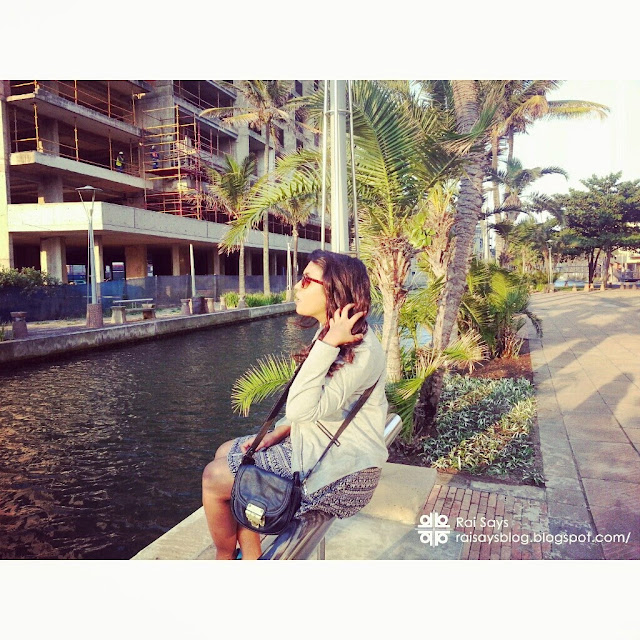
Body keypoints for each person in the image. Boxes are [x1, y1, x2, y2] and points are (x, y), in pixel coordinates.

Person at [202, 249, 389, 559]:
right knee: (226, 452)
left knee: (214, 478)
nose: (297, 287)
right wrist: (280, 430)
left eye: (306, 280)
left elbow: (302, 407)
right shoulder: (332, 334)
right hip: (316, 445)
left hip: (345, 471)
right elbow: (308, 407)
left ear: (334, 290)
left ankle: (225, 558)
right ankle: (251, 555)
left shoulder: (360, 349)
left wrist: (327, 344)